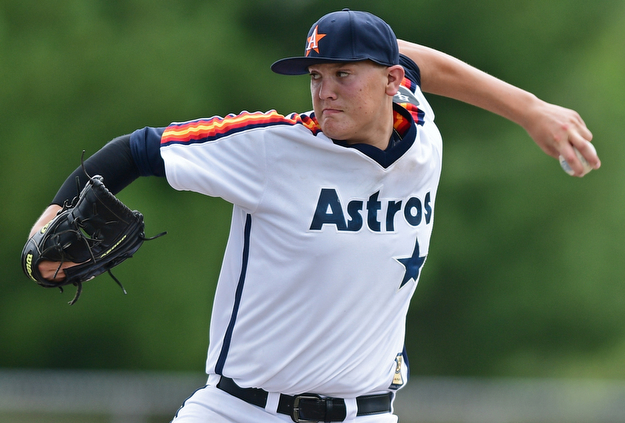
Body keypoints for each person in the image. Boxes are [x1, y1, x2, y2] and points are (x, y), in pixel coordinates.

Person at [27, 9, 599, 423]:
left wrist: (531, 110)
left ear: (393, 84)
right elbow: (137, 149)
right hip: (238, 412)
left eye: (343, 75)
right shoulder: (271, 145)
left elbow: (420, 60)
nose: (324, 91)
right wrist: (51, 216)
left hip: (366, 413)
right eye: (316, 75)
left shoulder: (420, 130)